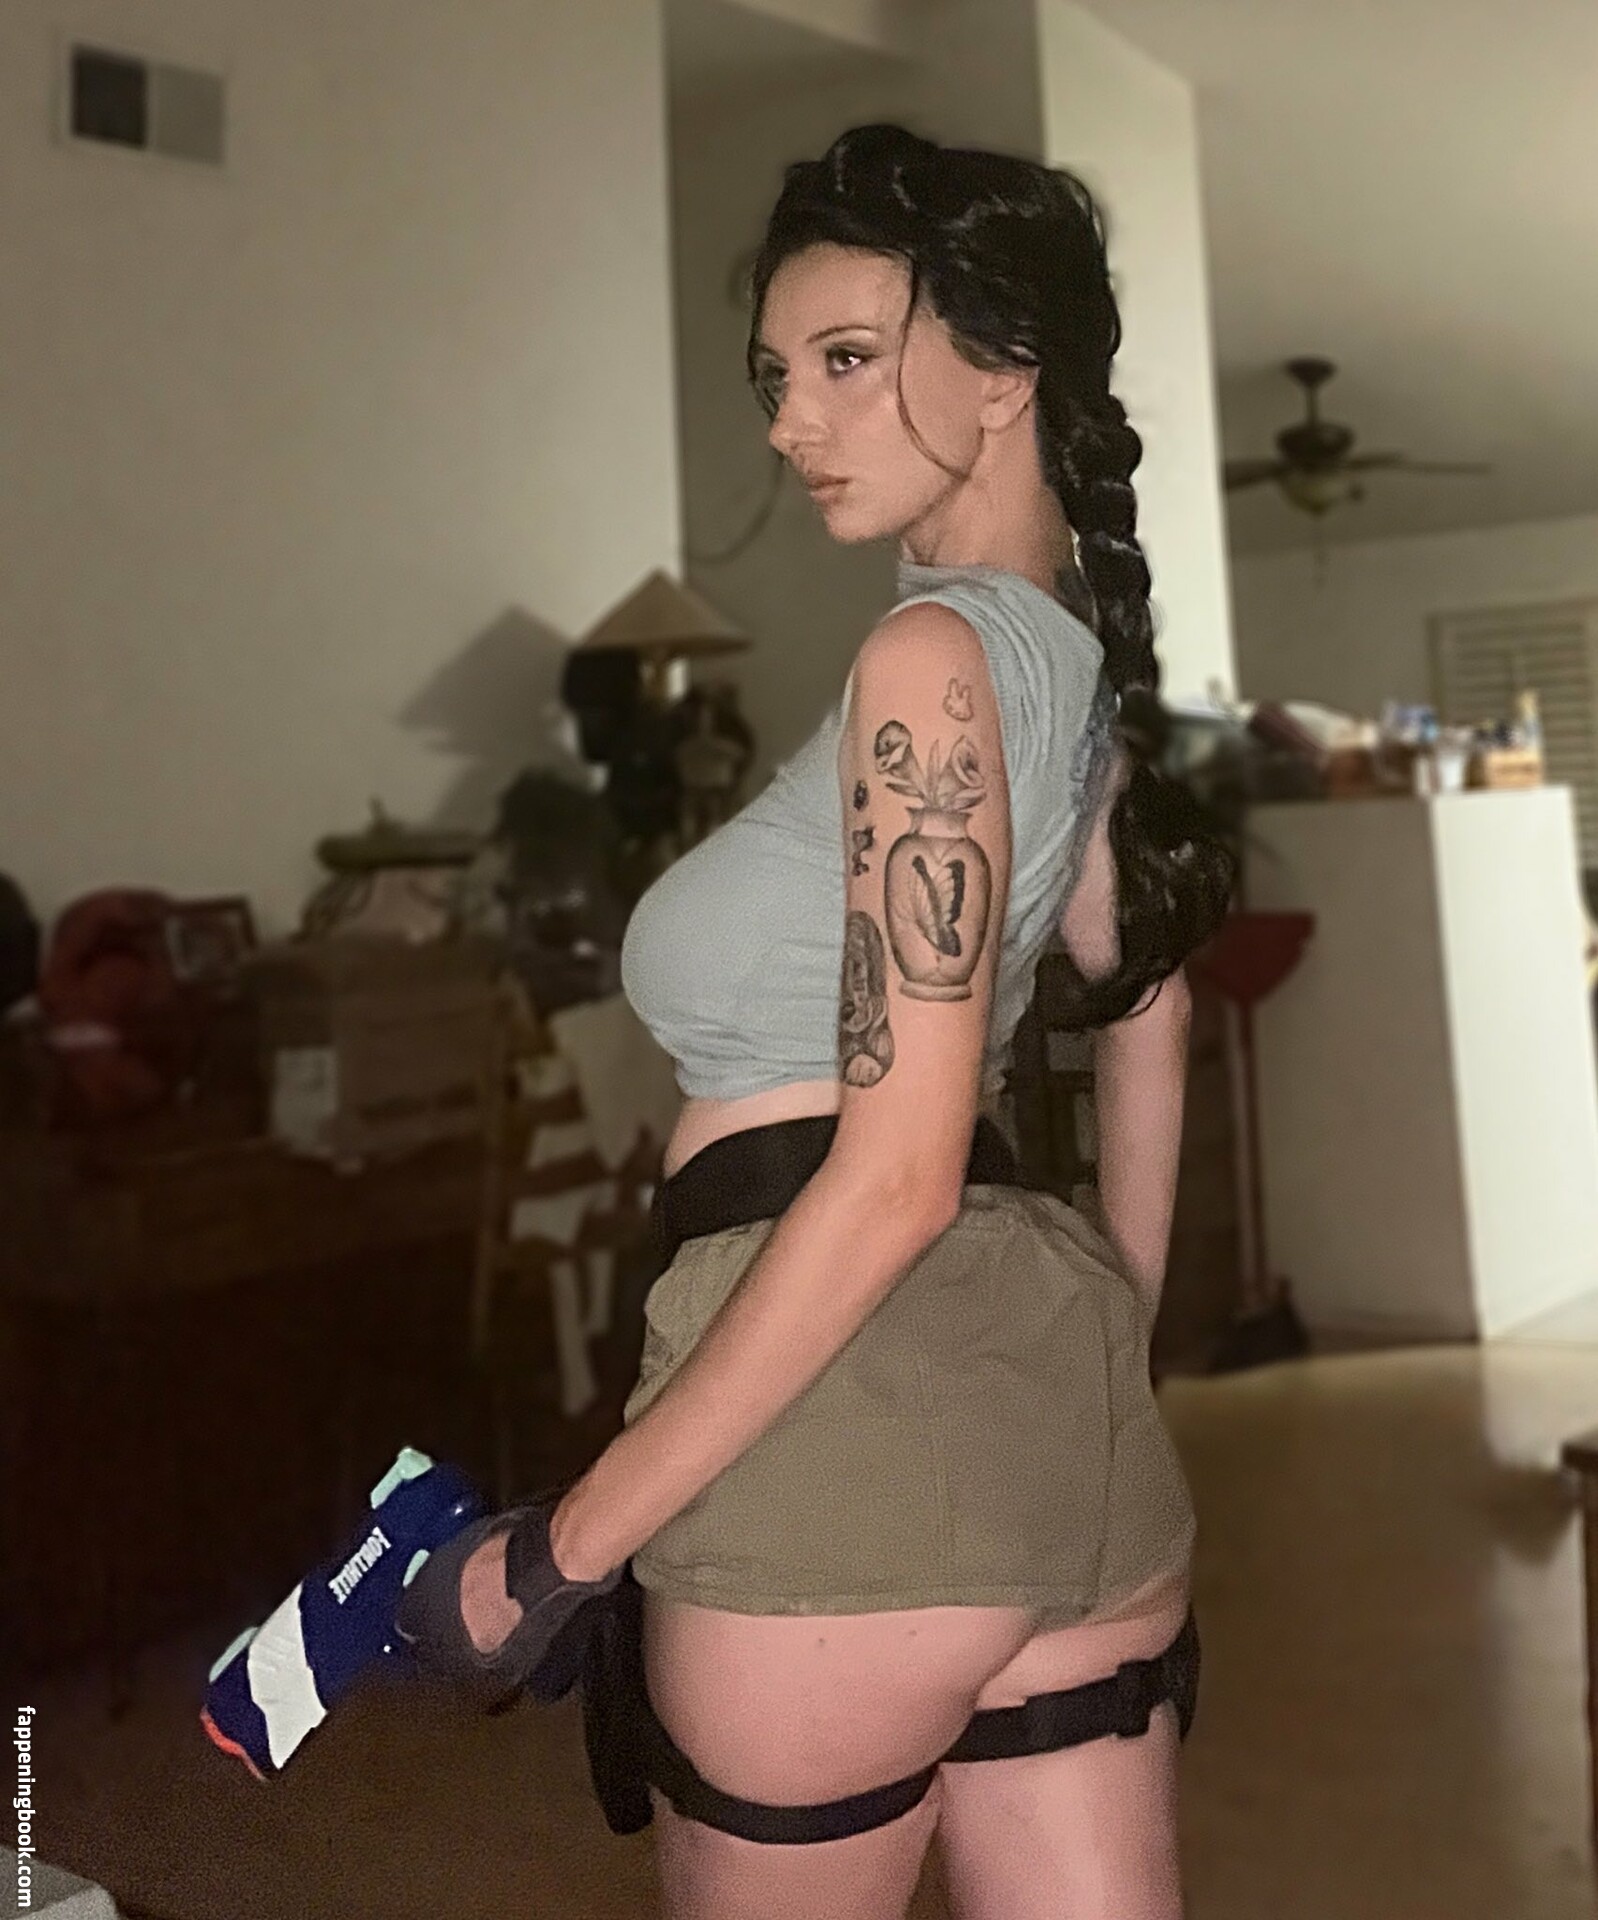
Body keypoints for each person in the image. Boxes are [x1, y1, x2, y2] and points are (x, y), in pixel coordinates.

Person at [403, 122, 1234, 1917]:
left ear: (1006, 368)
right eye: (776, 377)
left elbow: (898, 1175)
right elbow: (1146, 1012)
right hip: (1063, 1440)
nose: (792, 423)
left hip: (835, 1434)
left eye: (846, 358)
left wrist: (558, 1554)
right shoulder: (1071, 673)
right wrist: (1107, 1348)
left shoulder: (924, 666)